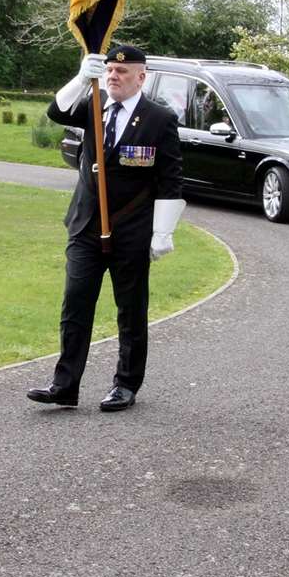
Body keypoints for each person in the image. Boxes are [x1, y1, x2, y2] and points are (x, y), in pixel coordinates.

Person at [27, 45, 185, 412]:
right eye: (110, 71)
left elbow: (171, 180)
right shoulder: (93, 105)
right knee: (75, 304)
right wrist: (83, 77)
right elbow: (57, 111)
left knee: (130, 309)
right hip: (86, 224)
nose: (113, 77)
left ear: (141, 77)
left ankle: (126, 384)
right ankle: (64, 385)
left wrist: (163, 232)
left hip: (131, 227)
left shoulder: (158, 119)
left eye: (122, 72)